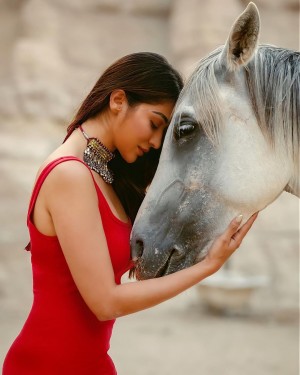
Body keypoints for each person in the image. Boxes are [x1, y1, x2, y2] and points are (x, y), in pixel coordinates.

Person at [2, 52, 257, 375]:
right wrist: (209, 267)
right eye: (154, 124)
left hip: (90, 363)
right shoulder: (70, 174)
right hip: (48, 365)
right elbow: (105, 303)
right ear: (118, 100)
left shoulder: (105, 175)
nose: (154, 142)